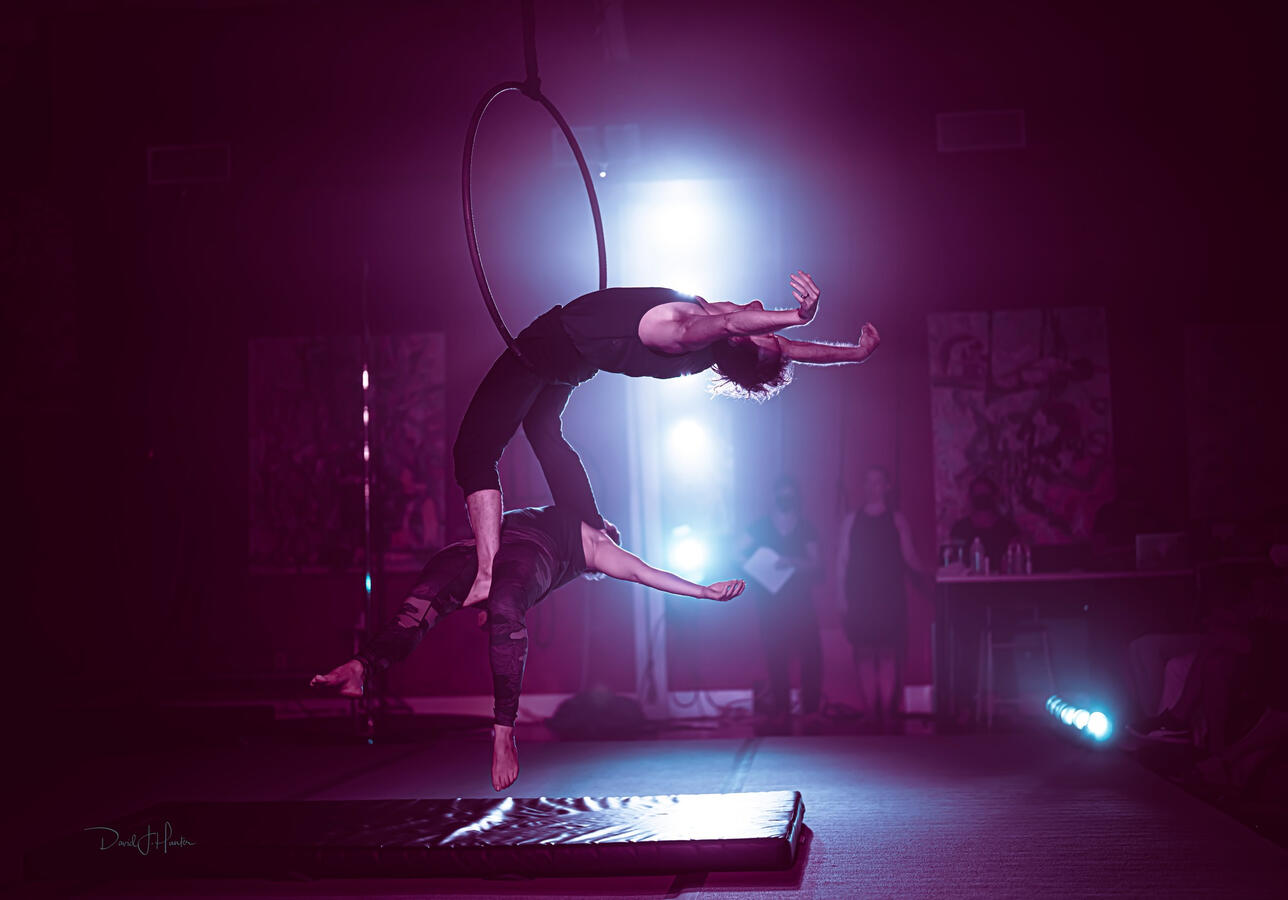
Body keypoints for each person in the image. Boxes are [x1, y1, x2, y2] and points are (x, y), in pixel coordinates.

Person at [454, 271, 881, 610]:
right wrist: (855, 353)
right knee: (543, 429)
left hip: (546, 348)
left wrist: (796, 315)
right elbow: (791, 349)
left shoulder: (685, 331)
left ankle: (488, 573)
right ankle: (590, 523)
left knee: (475, 453)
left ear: (737, 337)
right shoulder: (716, 326)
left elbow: (744, 324)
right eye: (774, 333)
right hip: (571, 356)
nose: (773, 330)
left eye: (766, 333)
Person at [310, 505, 744, 792]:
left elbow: (641, 572)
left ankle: (493, 727)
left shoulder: (596, 546)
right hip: (485, 554)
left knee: (458, 607)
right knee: (440, 607)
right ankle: (367, 668)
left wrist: (703, 592)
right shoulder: (563, 530)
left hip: (497, 554)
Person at [836, 466, 928, 730]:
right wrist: (840, 596)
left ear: (886, 486)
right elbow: (841, 561)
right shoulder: (851, 520)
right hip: (860, 595)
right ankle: (870, 711)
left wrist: (933, 574)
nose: (872, 487)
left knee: (888, 654)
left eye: (878, 482)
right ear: (864, 486)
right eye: (868, 481)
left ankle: (886, 712)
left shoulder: (897, 520)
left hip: (889, 595)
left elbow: (909, 557)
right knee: (864, 654)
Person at [739, 475, 823, 730]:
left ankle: (810, 709)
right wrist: (754, 567)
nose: (785, 500)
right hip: (770, 602)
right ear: (773, 497)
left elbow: (817, 563)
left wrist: (793, 562)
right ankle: (781, 709)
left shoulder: (806, 527)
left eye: (790, 495)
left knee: (811, 655)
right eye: (781, 495)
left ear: (796, 497)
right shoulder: (761, 527)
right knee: (775, 656)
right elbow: (733, 550)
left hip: (800, 602)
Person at [949, 475, 1020, 571]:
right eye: (978, 495)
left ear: (994, 497)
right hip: (967, 583)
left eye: (985, 495)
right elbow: (954, 562)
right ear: (970, 497)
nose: (982, 499)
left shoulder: (1008, 528)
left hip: (1001, 583)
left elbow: (1016, 562)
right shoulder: (960, 529)